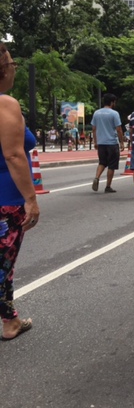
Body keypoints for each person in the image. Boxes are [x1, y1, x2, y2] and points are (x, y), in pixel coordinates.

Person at [0, 43, 40, 341]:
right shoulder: (6, 104)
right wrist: (31, 199)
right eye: (11, 64)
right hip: (6, 199)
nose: (14, 68)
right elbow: (15, 155)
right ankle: (10, 322)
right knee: (3, 264)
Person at [91, 93, 125, 193]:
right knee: (112, 165)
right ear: (112, 102)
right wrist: (122, 142)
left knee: (102, 162)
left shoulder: (96, 113)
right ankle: (108, 186)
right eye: (114, 102)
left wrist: (96, 141)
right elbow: (118, 129)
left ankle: (97, 177)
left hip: (101, 143)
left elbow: (94, 128)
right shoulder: (114, 114)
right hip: (112, 143)